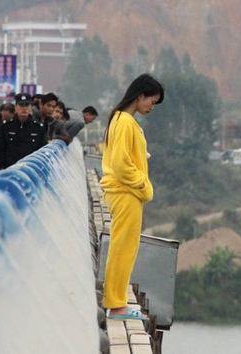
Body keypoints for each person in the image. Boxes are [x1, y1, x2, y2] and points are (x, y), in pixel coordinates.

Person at [100, 74, 164, 321]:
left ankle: (116, 302)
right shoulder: (126, 122)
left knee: (121, 246)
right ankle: (117, 305)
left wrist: (140, 157)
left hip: (120, 192)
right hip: (126, 193)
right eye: (151, 101)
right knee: (124, 249)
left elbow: (121, 155)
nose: (151, 107)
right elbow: (120, 164)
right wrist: (142, 183)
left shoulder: (118, 118)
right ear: (140, 96)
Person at [0, 93, 46, 169]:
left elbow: (41, 151)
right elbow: (1, 150)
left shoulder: (38, 128)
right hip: (10, 169)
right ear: (16, 107)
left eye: (27, 105)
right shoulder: (7, 127)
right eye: (21, 105)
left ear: (30, 107)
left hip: (29, 170)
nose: (24, 108)